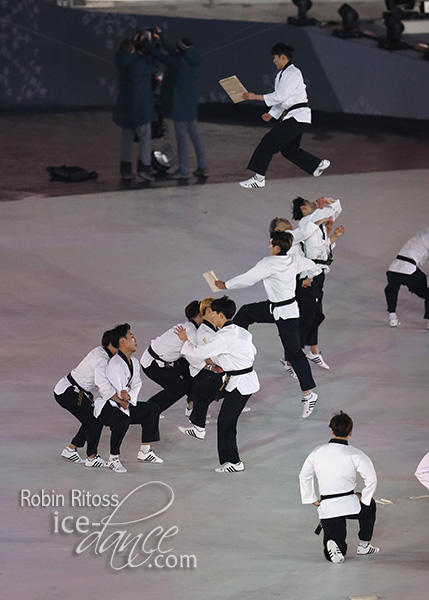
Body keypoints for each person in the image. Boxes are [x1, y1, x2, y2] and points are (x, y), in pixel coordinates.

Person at [215, 231, 322, 418]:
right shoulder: (294, 259)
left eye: (271, 244)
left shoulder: (269, 263)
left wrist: (226, 285)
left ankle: (309, 394)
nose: (269, 246)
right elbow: (315, 268)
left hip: (286, 314)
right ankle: (233, 343)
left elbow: (248, 278)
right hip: (277, 308)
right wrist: (309, 278)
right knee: (246, 312)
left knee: (295, 353)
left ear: (277, 248)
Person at [175, 296, 259, 473]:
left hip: (241, 383)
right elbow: (252, 351)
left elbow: (199, 353)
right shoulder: (239, 330)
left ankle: (234, 462)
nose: (210, 316)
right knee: (200, 389)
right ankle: (198, 427)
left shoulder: (223, 337)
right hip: (232, 375)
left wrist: (185, 341)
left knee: (226, 422)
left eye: (212, 313)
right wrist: (227, 362)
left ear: (220, 315)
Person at [239, 42, 330, 189]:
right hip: (296, 117)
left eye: (275, 57)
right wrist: (271, 114)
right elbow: (281, 99)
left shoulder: (292, 73)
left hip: (297, 117)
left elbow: (281, 96)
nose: (274, 61)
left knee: (268, 142)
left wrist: (255, 96)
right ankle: (316, 165)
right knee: (289, 150)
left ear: (283, 57)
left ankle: (259, 178)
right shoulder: (281, 75)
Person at [299, 411, 379, 563]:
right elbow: (371, 479)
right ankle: (364, 545)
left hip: (328, 506)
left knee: (337, 548)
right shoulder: (356, 454)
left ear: (332, 430)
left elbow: (304, 475)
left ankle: (334, 545)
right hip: (350, 503)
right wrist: (364, 498)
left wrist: (311, 498)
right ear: (351, 431)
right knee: (370, 506)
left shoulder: (317, 452)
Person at [96, 323, 163, 473]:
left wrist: (129, 397)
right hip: (108, 407)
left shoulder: (134, 362)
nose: (135, 340)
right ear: (122, 341)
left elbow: (137, 384)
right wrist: (123, 396)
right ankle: (113, 459)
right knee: (123, 420)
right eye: (131, 337)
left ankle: (145, 451)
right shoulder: (115, 363)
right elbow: (118, 387)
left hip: (125, 403)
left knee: (152, 409)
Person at [54, 328, 122, 468]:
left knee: (89, 419)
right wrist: (117, 400)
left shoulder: (104, 353)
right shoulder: (102, 359)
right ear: (114, 343)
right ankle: (91, 457)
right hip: (69, 392)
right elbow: (101, 383)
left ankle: (71, 450)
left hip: (73, 390)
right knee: (94, 419)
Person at [290, 196, 344, 371]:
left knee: (315, 314)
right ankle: (295, 354)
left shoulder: (317, 225)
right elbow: (335, 209)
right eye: (310, 203)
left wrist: (333, 235)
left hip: (319, 273)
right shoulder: (308, 221)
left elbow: (324, 249)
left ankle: (313, 351)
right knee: (309, 315)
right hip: (309, 275)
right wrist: (327, 203)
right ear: (304, 208)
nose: (313, 204)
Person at [145, 30, 208, 180]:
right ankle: (202, 166)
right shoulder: (191, 57)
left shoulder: (178, 62)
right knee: (195, 136)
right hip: (190, 104)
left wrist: (147, 44)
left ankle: (183, 170)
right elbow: (173, 51)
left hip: (180, 106)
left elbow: (160, 56)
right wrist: (162, 39)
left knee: (182, 139)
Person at [140, 301, 203, 414]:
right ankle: (148, 412)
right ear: (200, 315)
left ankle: (192, 404)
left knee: (188, 371)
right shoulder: (191, 332)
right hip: (153, 365)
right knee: (180, 387)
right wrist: (210, 367)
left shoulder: (185, 326)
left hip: (159, 359)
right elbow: (194, 359)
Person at [113, 35, 157, 182]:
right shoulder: (139, 63)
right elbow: (153, 68)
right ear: (133, 48)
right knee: (145, 138)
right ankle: (144, 169)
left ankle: (125, 170)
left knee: (126, 139)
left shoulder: (119, 60)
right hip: (140, 107)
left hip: (125, 108)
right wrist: (148, 51)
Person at [384, 227, 429, 329]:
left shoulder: (421, 234)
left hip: (393, 268)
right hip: (409, 271)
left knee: (392, 289)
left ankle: (393, 318)